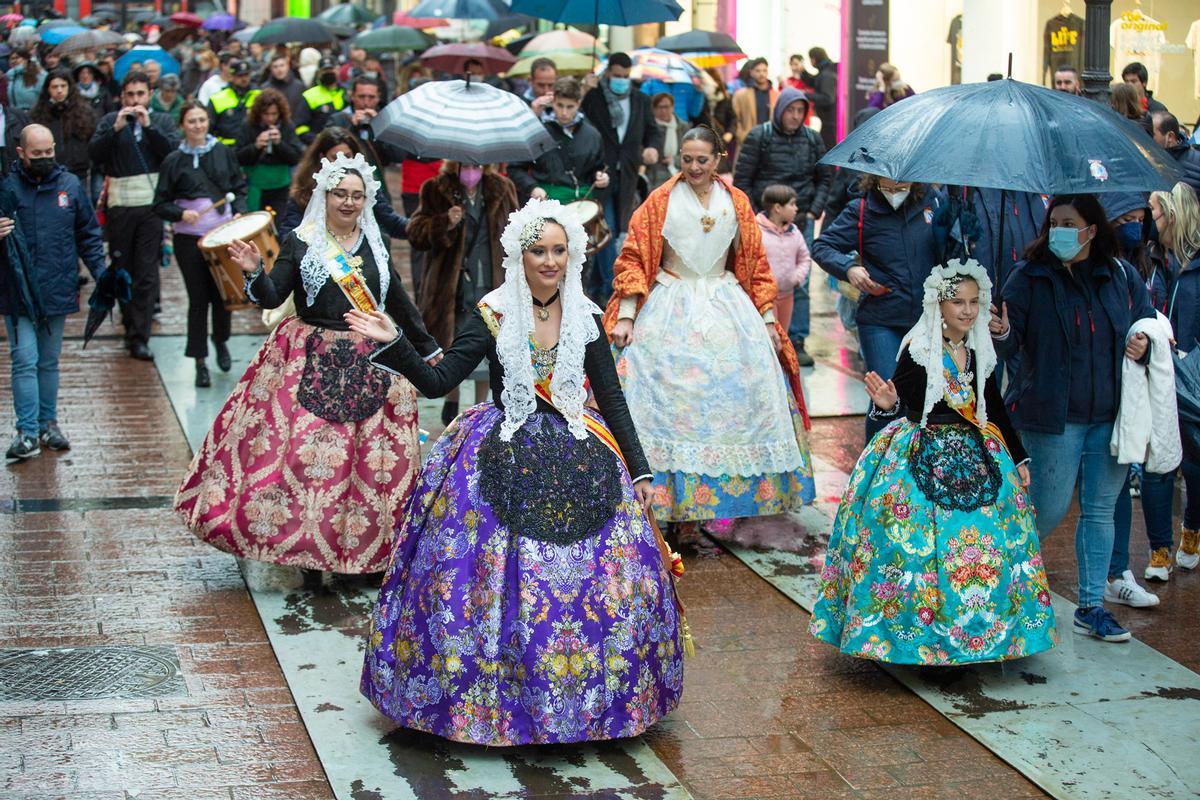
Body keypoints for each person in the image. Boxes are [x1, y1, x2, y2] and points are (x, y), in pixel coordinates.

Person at [354, 198, 683, 745]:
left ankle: (592, 703)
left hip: (580, 450)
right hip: (501, 450)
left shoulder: (585, 314)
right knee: (487, 581)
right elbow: (441, 381)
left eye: (558, 250)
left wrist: (641, 471)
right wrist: (394, 340)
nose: (549, 261)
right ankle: (496, 704)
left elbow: (611, 399)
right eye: (538, 251)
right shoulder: (492, 312)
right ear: (518, 256)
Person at [175, 152, 438, 584]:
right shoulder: (302, 239)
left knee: (368, 465)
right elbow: (272, 294)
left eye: (357, 195)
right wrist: (254, 271)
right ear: (325, 196)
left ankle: (362, 554)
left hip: (372, 358)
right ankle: (308, 558)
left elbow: (397, 302)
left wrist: (425, 349)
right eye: (340, 194)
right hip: (310, 358)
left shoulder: (376, 241)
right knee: (307, 461)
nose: (349, 203)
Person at [810, 260, 1056, 665]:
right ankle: (921, 640)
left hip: (978, 455)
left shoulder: (978, 350)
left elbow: (990, 405)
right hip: (921, 453)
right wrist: (887, 406)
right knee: (915, 547)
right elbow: (904, 401)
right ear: (938, 306)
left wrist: (1017, 454)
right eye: (957, 302)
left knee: (984, 545)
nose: (967, 310)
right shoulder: (920, 350)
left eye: (975, 302)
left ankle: (979, 634)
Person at [605, 127, 815, 546]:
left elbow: (755, 265)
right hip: (670, 305)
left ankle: (714, 507)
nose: (695, 168)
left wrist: (770, 321)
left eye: (703, 159)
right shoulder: (659, 201)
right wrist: (627, 314)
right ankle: (667, 506)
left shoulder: (736, 201)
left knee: (738, 397)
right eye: (687, 159)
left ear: (718, 158)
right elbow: (633, 256)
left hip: (726, 305)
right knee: (668, 402)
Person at [993, 193, 1155, 642]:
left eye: (1070, 222)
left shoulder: (1119, 276)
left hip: (1110, 412)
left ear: (1092, 228)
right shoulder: (1028, 277)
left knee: (1101, 510)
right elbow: (1007, 348)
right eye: (1054, 221)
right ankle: (997, 587)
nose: (1060, 230)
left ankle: (1091, 606)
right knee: (1046, 508)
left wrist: (1145, 343)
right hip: (1051, 415)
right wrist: (1002, 331)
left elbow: (1148, 324)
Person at [0, 124, 107, 463]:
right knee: (24, 359)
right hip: (18, 290)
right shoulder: (7, 187)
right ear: (21, 153)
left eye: (49, 153)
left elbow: (89, 234)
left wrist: (103, 274)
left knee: (48, 361)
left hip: (58, 287)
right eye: (37, 155)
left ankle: (48, 424)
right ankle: (27, 431)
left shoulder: (70, 185)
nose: (45, 159)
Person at [811, 174, 942, 437]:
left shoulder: (935, 203)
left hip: (929, 318)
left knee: (925, 397)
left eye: (901, 186)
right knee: (886, 395)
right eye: (886, 185)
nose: (894, 191)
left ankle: (911, 469)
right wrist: (849, 269)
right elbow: (822, 246)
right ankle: (875, 467)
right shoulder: (861, 209)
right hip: (880, 318)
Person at [407, 160, 519, 424]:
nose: (472, 171)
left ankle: (482, 404)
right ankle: (452, 396)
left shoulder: (502, 188)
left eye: (478, 165)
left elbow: (518, 230)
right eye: (466, 165)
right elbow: (415, 233)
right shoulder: (435, 189)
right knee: (452, 339)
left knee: (489, 339)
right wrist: (444, 222)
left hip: (491, 278)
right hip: (451, 283)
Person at [153, 101, 248, 387]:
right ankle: (199, 361)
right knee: (198, 299)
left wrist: (240, 209)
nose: (198, 125)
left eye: (202, 120)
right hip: (189, 239)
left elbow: (239, 186)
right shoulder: (173, 161)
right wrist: (181, 213)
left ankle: (221, 342)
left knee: (223, 294)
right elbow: (160, 203)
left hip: (222, 236)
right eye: (192, 121)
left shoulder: (223, 152)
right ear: (182, 125)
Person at [735, 87, 832, 367]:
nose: (795, 116)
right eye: (791, 110)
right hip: (763, 223)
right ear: (780, 110)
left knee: (798, 281)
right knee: (759, 279)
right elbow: (743, 178)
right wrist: (754, 216)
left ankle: (796, 339)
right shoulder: (760, 136)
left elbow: (825, 177)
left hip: (799, 221)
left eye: (800, 111)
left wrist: (815, 209)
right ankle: (760, 336)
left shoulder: (812, 139)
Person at [88, 71, 179, 361]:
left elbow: (171, 153)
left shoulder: (162, 120)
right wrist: (114, 129)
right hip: (120, 207)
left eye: (140, 94)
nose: (135, 100)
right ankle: (129, 324)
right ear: (122, 96)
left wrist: (149, 127)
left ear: (149, 94)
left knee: (147, 272)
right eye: (130, 95)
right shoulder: (109, 122)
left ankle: (141, 335)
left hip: (151, 208)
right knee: (123, 268)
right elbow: (95, 155)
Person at [1146, 183, 1200, 575]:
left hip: (1190, 374)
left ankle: (1192, 528)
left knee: (1194, 463)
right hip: (1161, 369)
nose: (1150, 220)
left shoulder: (1192, 268)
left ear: (1174, 216)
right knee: (1157, 463)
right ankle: (1159, 548)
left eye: (1155, 212)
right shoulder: (1155, 259)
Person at [580, 52, 662, 303]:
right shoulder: (594, 98)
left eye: (626, 77)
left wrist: (652, 148)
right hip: (600, 173)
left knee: (618, 233)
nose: (621, 80)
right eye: (617, 76)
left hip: (628, 176)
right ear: (607, 73)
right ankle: (608, 288)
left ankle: (596, 285)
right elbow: (579, 123)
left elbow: (653, 131)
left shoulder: (641, 100)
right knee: (608, 228)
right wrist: (584, 89)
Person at [277, 127, 409, 242]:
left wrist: (425, 226)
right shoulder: (306, 189)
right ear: (322, 157)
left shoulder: (366, 185)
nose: (343, 162)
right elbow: (289, 233)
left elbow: (391, 222)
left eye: (348, 156)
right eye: (336, 157)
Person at [508, 76, 608, 205]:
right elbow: (515, 168)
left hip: (584, 204)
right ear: (553, 101)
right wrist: (532, 187)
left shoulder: (592, 134)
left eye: (570, 106)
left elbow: (598, 168)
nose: (564, 112)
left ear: (578, 103)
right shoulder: (537, 131)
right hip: (547, 203)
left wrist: (602, 178)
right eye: (560, 105)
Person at [235, 87, 301, 214]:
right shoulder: (248, 125)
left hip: (280, 186)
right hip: (255, 186)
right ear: (259, 113)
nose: (270, 119)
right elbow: (238, 157)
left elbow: (295, 158)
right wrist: (256, 146)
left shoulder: (287, 126)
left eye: (274, 114)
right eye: (266, 114)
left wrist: (279, 144)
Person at [757, 184, 810, 335]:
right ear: (777, 208)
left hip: (787, 295)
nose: (796, 209)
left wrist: (796, 277)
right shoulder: (757, 231)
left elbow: (805, 257)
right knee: (769, 340)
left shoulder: (794, 232)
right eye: (792, 204)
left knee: (783, 336)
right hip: (765, 299)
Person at [30, 68, 95, 186]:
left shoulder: (84, 111)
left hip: (78, 173)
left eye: (63, 86)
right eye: (55, 87)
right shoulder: (38, 114)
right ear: (48, 89)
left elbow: (91, 140)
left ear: (69, 87)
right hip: (48, 173)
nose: (59, 90)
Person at [327, 75, 403, 175]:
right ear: (352, 96)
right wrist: (352, 127)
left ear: (378, 98)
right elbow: (329, 152)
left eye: (371, 97)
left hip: (375, 179)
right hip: (344, 178)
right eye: (361, 97)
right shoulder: (338, 119)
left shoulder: (386, 120)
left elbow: (397, 156)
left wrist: (378, 126)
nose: (366, 103)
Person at [294, 55, 346, 144]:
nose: (328, 72)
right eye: (325, 70)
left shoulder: (347, 93)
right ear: (319, 73)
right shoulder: (309, 95)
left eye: (331, 69)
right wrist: (315, 139)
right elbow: (300, 126)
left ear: (337, 70)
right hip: (319, 146)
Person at [208, 59, 258, 146]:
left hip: (252, 147)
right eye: (240, 76)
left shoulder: (259, 95)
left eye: (246, 75)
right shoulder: (218, 98)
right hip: (226, 148)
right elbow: (210, 128)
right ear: (232, 77)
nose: (244, 79)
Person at [1151, 112, 1200, 195]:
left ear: (1170, 136)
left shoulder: (1197, 162)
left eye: (1151, 134)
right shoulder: (1142, 163)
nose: (1144, 137)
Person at [731, 57, 776, 146]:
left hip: (770, 143)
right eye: (758, 71)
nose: (761, 74)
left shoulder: (776, 95)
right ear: (751, 72)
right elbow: (735, 118)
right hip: (748, 141)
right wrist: (742, 135)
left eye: (764, 70)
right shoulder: (741, 94)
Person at [645, 93, 684, 191]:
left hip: (677, 175)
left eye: (666, 107)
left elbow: (691, 154)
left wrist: (675, 160)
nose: (663, 110)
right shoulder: (648, 127)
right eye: (659, 107)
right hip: (653, 177)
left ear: (673, 107)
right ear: (653, 109)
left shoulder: (683, 127)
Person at [806, 47, 838, 150]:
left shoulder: (826, 75)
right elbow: (814, 81)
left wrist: (806, 95)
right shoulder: (826, 71)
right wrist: (803, 73)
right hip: (828, 121)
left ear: (813, 59)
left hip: (829, 122)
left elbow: (827, 98)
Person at [259, 52, 304, 121]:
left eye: (282, 65)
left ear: (288, 66)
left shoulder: (299, 87)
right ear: (271, 69)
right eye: (275, 67)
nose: (279, 69)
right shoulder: (265, 88)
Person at [5, 47, 43, 112]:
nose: (13, 61)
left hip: (33, 114)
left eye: (17, 58)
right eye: (11, 58)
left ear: (26, 59)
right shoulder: (10, 76)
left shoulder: (39, 75)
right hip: (15, 115)